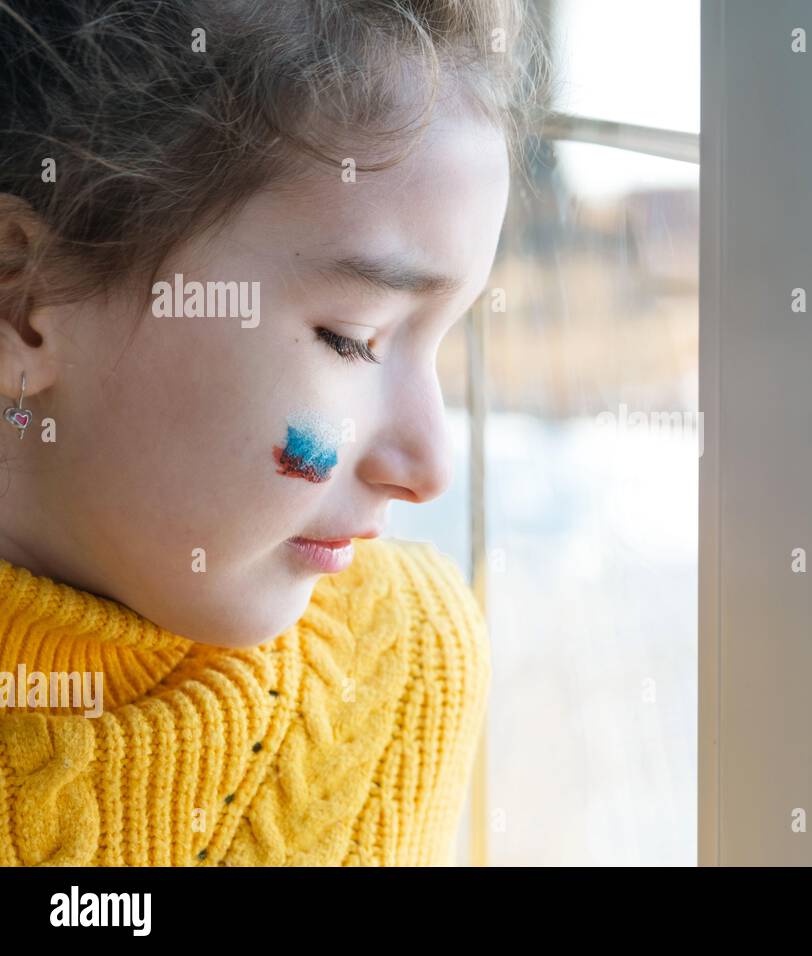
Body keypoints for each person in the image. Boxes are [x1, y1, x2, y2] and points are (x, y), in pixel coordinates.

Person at [0, 0, 544, 865]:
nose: (429, 464)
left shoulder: (404, 663)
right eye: (353, 339)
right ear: (24, 301)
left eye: (442, 340)